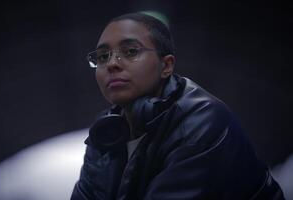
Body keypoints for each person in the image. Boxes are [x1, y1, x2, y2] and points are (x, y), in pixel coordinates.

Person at [71, 12, 284, 200]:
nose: (112, 64)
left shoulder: (203, 120)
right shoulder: (106, 133)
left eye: (130, 51)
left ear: (166, 66)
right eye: (102, 56)